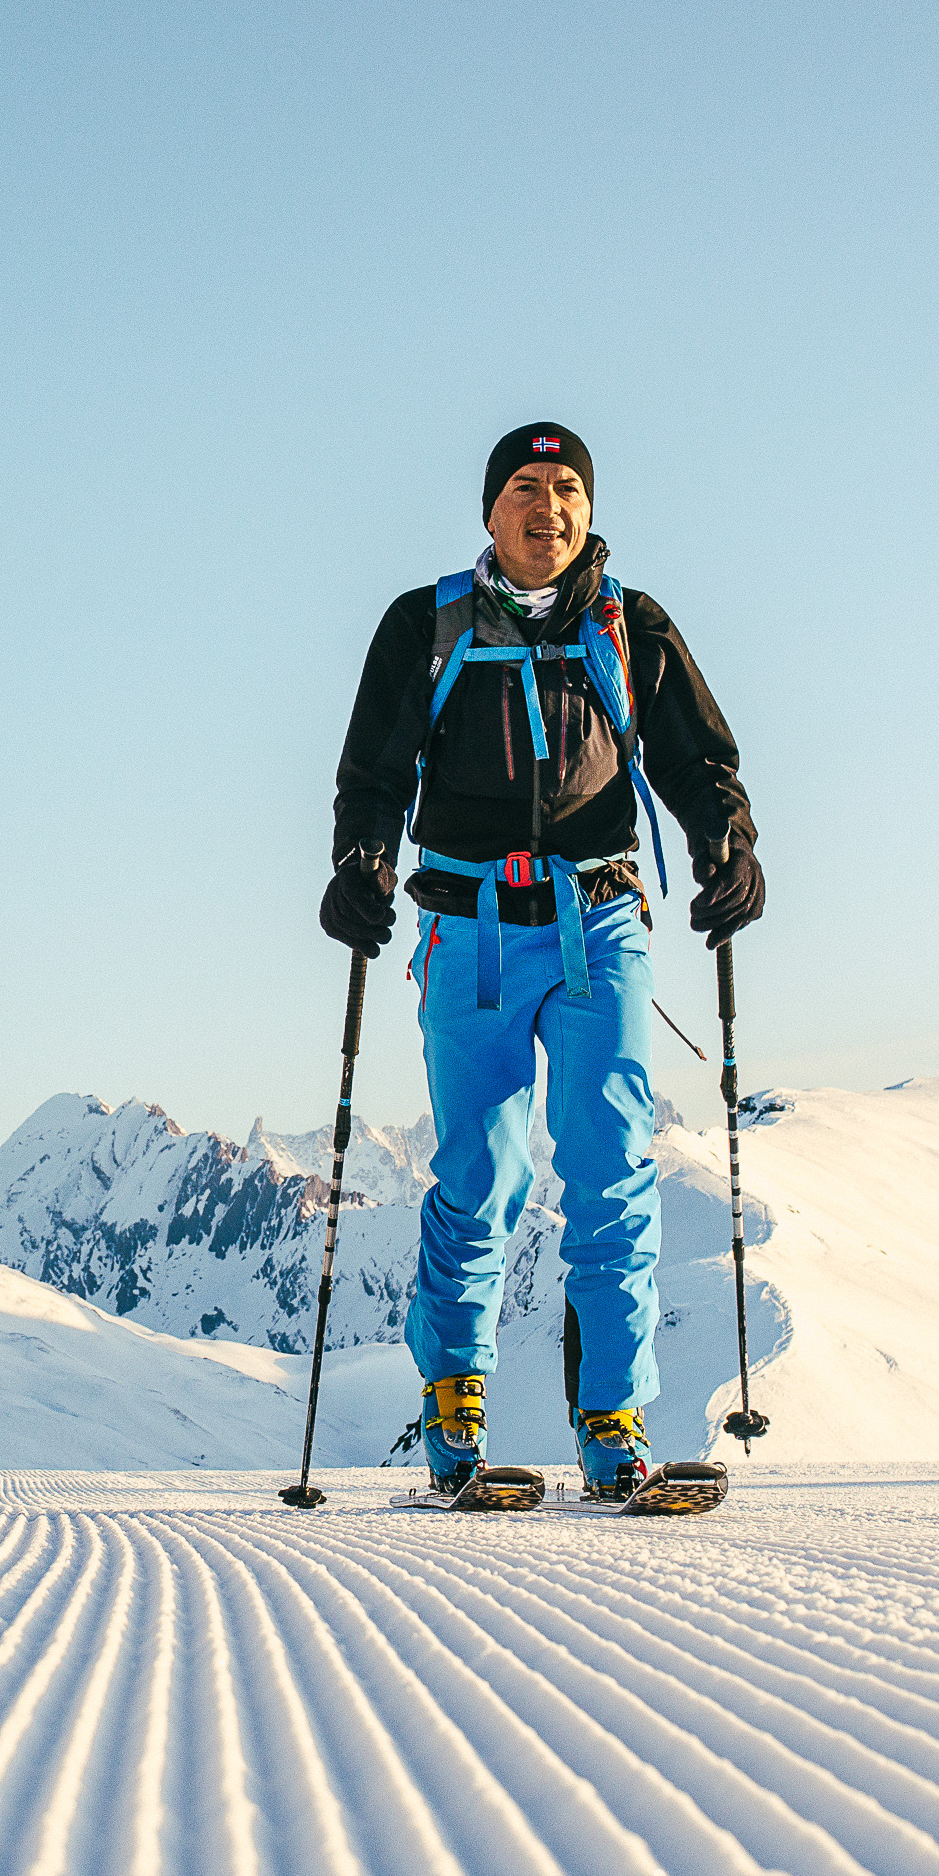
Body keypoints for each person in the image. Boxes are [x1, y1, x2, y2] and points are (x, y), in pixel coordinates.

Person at [323, 423, 762, 1504]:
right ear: (490, 512)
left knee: (612, 1167)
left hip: (598, 920)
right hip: (464, 928)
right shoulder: (424, 627)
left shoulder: (629, 625)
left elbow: (696, 756)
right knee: (480, 1172)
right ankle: (453, 1414)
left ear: (587, 511)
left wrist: (727, 843)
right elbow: (372, 769)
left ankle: (614, 1424)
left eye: (567, 489)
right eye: (525, 486)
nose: (548, 506)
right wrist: (359, 862)